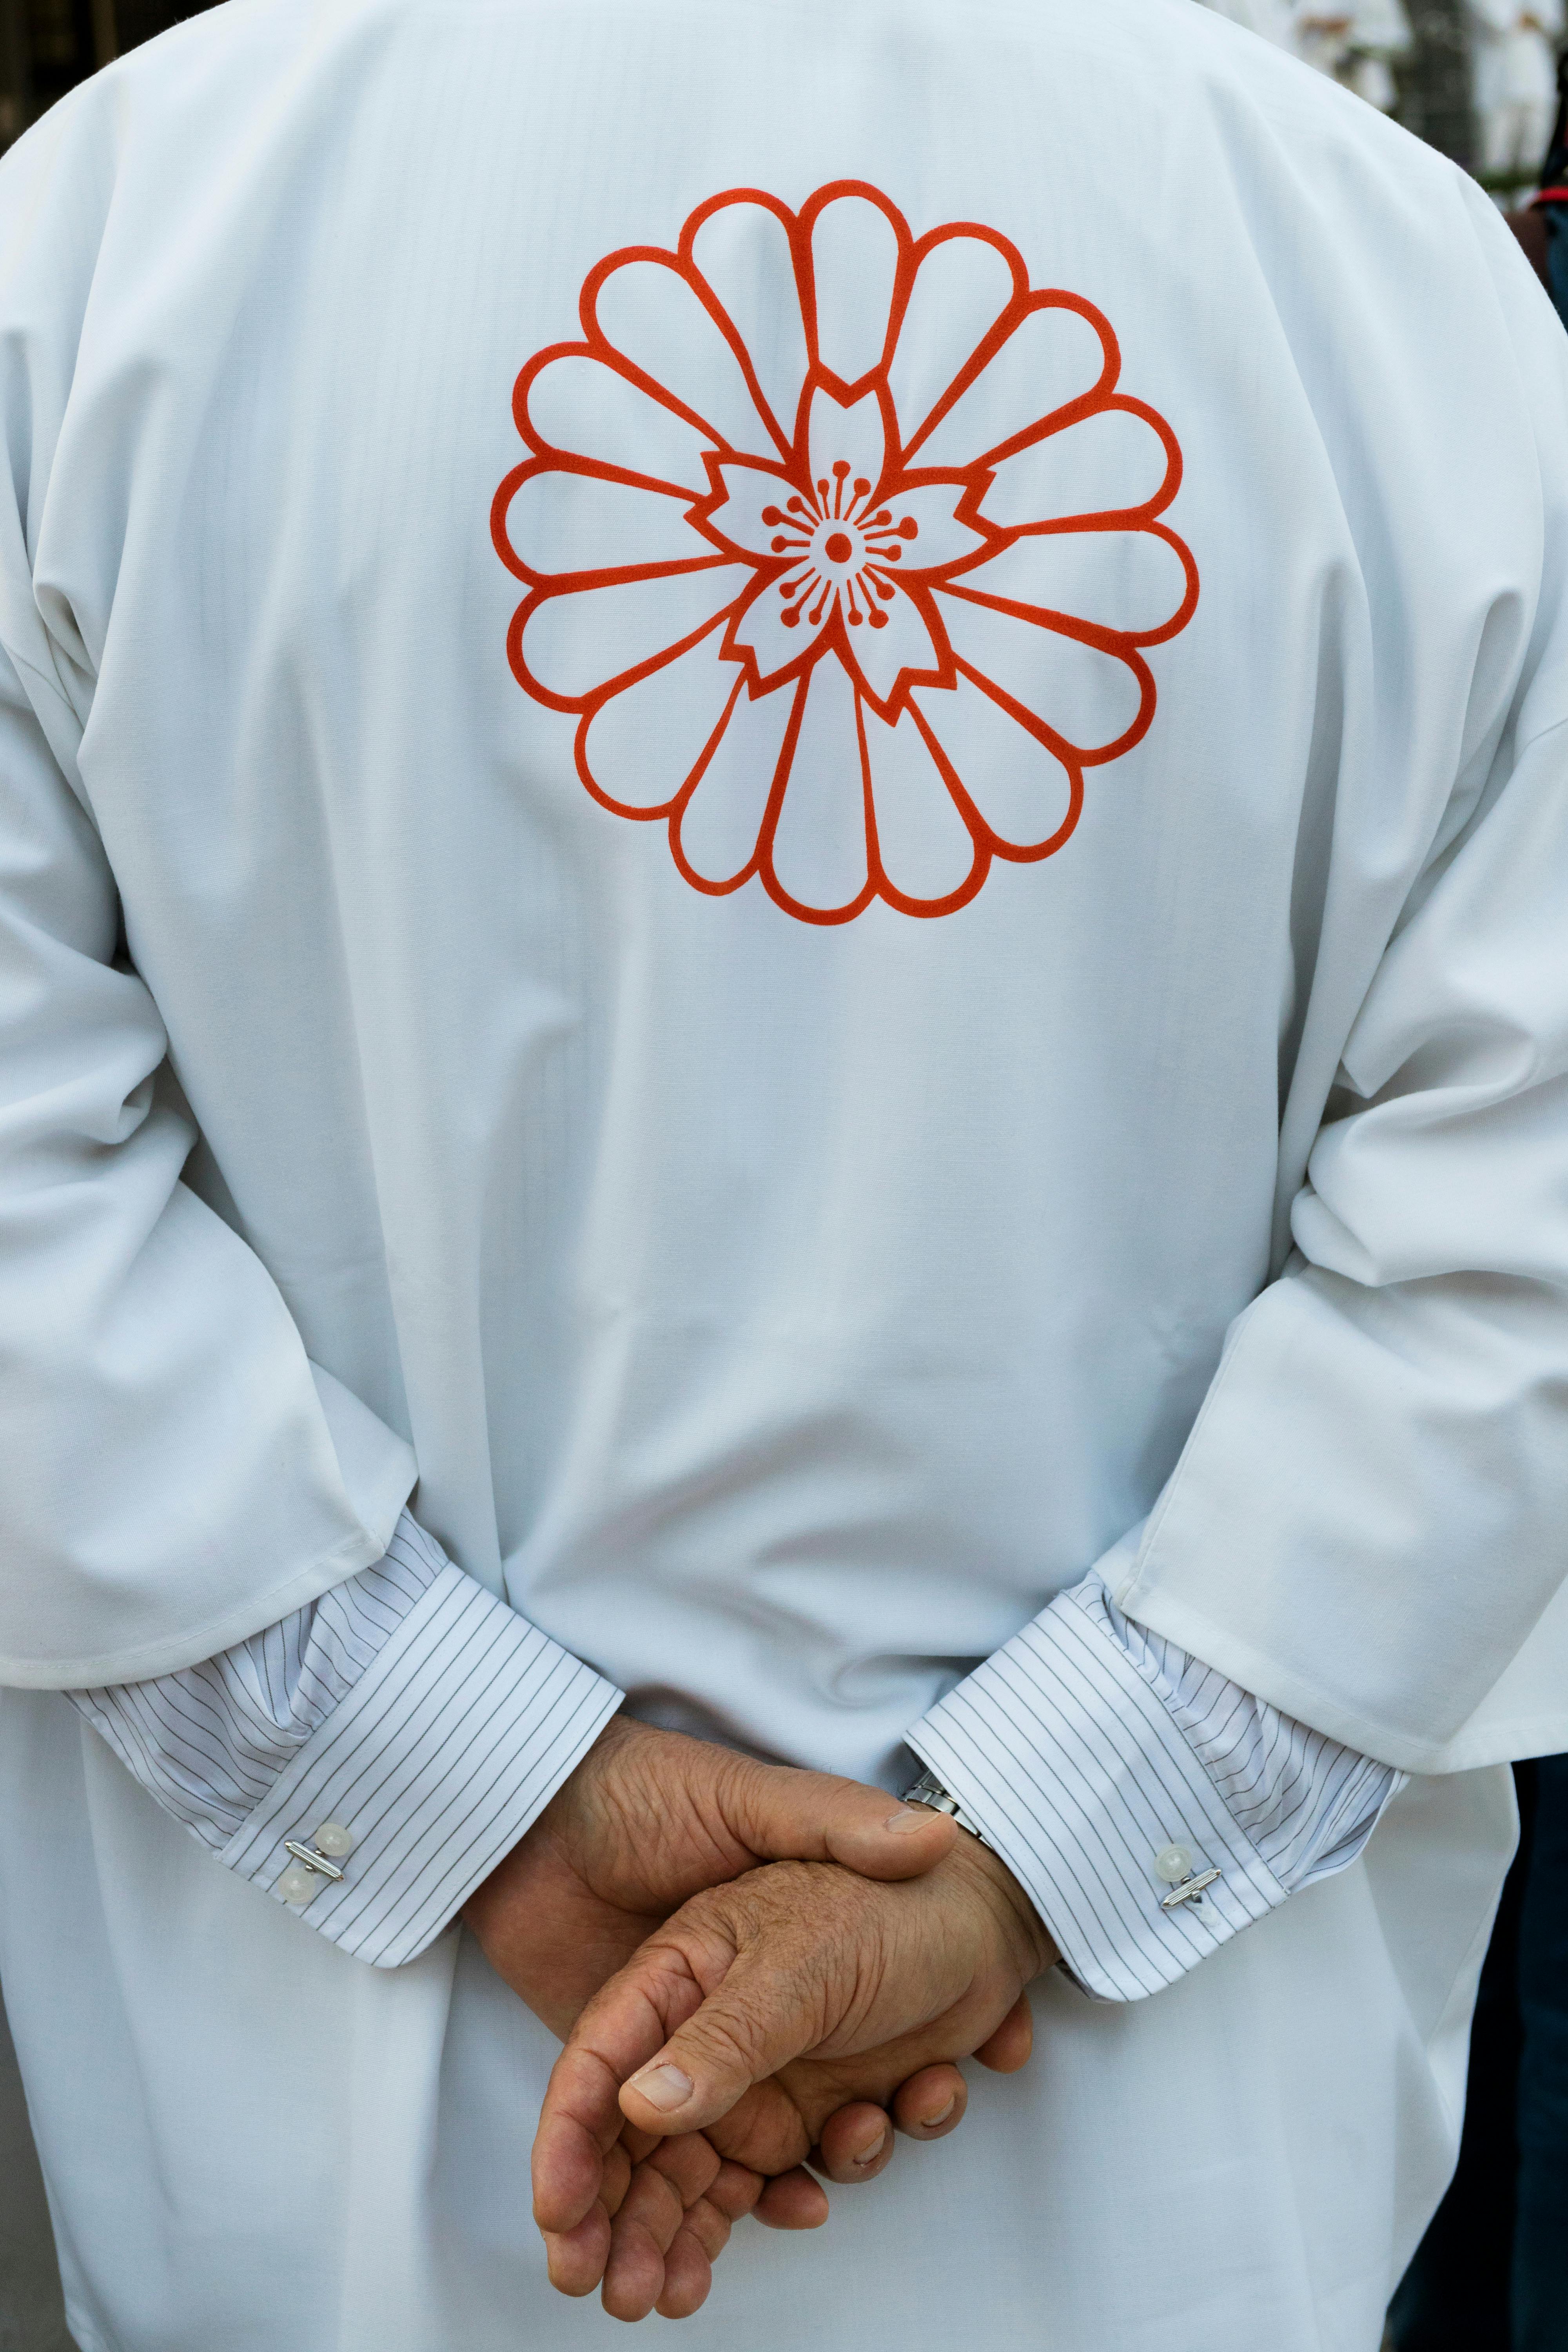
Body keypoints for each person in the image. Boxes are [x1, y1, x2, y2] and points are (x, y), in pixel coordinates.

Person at [0, 4, 1566, 2349]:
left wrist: (469, 1789)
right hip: (1159, 2153)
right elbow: (1515, 1248)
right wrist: (1018, 1857)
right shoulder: (1393, 289)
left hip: (324, 2150)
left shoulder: (112, 237)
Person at [1469, 0, 1566, 180]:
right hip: (1497, 88)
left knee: (1537, 157)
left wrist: (1528, 18)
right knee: (1496, 160)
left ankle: (1530, 204)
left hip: (1538, 83)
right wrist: (1530, 17)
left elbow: (1552, 21)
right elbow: (1499, 20)